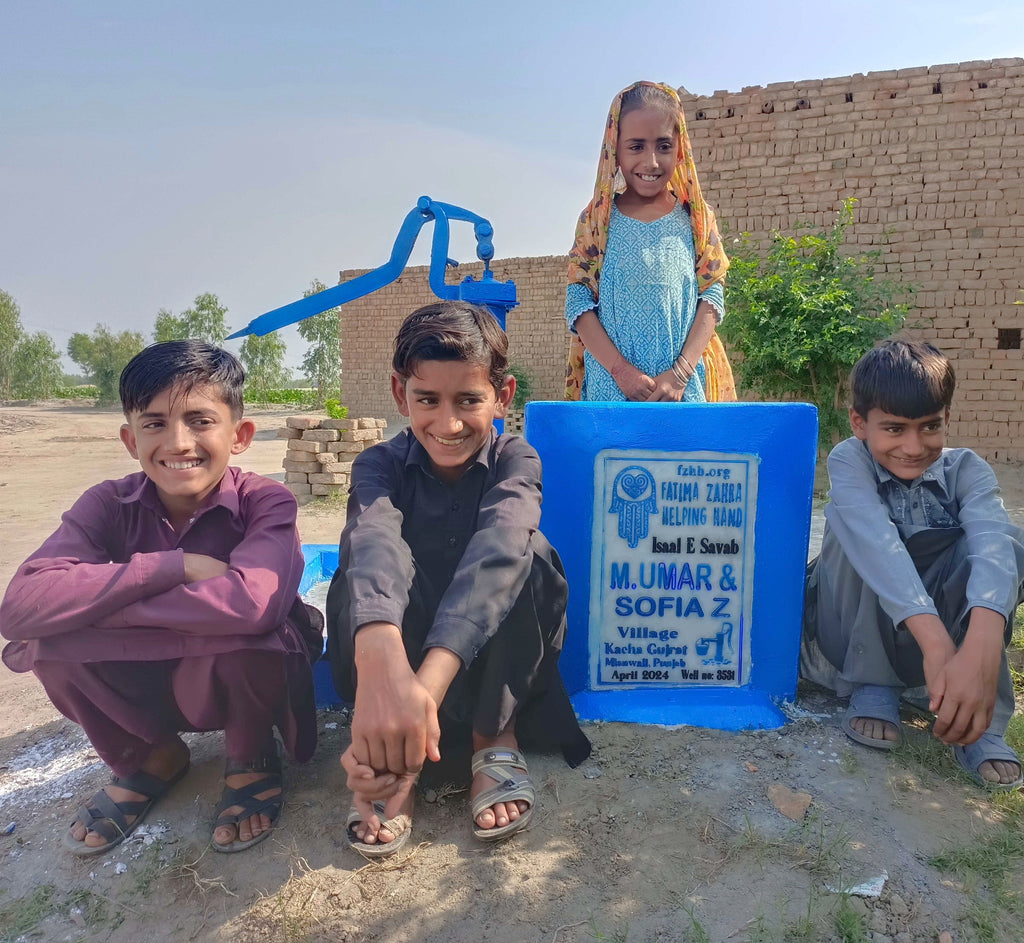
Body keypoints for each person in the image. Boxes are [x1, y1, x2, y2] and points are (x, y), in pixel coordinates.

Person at [0, 341, 322, 854]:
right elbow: (20, 606)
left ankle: (250, 754)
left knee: (260, 632)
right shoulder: (106, 503)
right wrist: (175, 567)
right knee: (46, 639)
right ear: (130, 439)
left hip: (227, 674)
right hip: (148, 676)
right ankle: (150, 756)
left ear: (239, 436)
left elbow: (252, 604)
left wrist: (103, 603)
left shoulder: (265, 500)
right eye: (154, 424)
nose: (177, 442)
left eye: (199, 420)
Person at [326, 301, 590, 857]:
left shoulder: (516, 458)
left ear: (503, 396)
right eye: (428, 400)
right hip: (396, 666)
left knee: (525, 554)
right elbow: (376, 547)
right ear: (401, 396)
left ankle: (491, 737)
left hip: (477, 668)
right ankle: (389, 754)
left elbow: (500, 547)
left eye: (468, 400)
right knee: (362, 563)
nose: (448, 424)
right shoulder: (378, 466)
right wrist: (384, 672)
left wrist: (419, 698)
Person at [802, 340, 1024, 788]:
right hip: (848, 638)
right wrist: (938, 646)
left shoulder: (968, 471)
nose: (913, 445)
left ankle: (977, 713)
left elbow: (995, 548)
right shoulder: (850, 459)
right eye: (895, 428)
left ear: (947, 420)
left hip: (938, 653)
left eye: (929, 427)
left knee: (1002, 546)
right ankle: (873, 683)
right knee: (858, 535)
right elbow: (877, 544)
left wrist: (980, 645)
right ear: (859, 423)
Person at [565, 80, 736, 404]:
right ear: (614, 149)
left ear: (679, 148)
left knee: (686, 456)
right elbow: (578, 301)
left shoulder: (697, 219)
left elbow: (712, 294)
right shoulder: (597, 222)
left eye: (663, 146)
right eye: (636, 146)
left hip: (681, 394)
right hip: (611, 394)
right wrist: (621, 372)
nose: (651, 162)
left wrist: (681, 373)